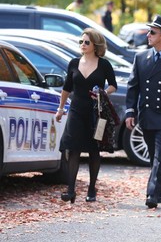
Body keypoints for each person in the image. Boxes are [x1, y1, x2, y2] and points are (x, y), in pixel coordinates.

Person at [125, 15, 161, 209]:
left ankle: (152, 193)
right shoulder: (141, 57)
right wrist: (130, 111)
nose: (148, 35)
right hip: (147, 114)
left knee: (160, 155)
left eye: (153, 32)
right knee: (153, 155)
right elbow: (133, 87)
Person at [56, 27, 117, 203]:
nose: (83, 44)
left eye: (86, 42)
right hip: (76, 110)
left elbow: (113, 85)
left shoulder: (104, 64)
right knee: (72, 149)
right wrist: (60, 109)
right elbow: (67, 88)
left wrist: (103, 92)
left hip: (95, 113)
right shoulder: (74, 63)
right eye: (81, 41)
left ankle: (91, 189)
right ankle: (70, 190)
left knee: (94, 150)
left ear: (95, 45)